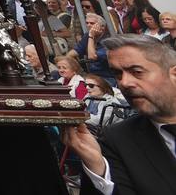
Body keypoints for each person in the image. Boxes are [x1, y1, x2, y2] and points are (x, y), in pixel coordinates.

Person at [63, 34, 176, 194]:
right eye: (118, 74)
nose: (124, 83)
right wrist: (98, 170)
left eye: (137, 72)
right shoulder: (117, 139)